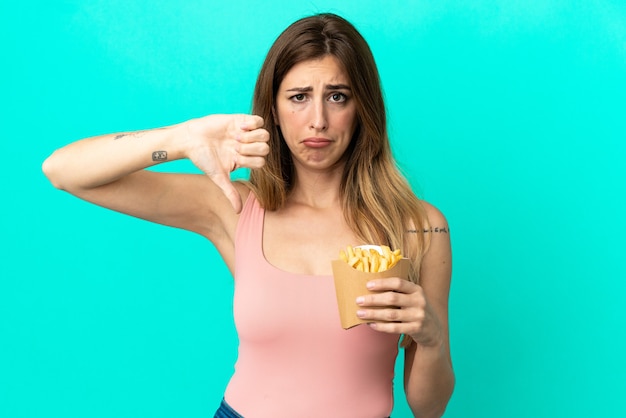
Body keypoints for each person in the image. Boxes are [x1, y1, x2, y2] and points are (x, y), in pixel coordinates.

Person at [42, 13, 454, 418]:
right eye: (298, 97)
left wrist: (431, 337)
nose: (318, 120)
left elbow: (428, 408)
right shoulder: (233, 207)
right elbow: (63, 171)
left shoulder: (420, 226)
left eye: (337, 96)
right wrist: (181, 139)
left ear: (362, 107)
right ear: (272, 109)